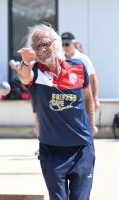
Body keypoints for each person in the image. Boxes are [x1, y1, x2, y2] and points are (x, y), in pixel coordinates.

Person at [17, 23, 97, 200]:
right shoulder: (36, 73)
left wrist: (92, 124)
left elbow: (88, 97)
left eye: (46, 43)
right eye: (37, 46)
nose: (42, 49)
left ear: (56, 43)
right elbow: (24, 75)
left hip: (82, 147)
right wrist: (26, 63)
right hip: (52, 150)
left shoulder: (78, 67)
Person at [61, 32, 100, 111]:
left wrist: (95, 98)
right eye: (62, 44)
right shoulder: (59, 58)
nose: (64, 47)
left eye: (67, 44)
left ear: (74, 44)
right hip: (64, 100)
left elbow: (93, 79)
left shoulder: (83, 59)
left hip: (80, 100)